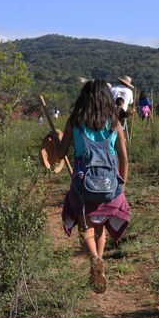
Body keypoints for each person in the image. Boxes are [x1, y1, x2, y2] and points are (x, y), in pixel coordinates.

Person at [52, 79, 130, 294]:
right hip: (110, 184)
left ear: (84, 98)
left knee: (85, 224)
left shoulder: (75, 121)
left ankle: (94, 259)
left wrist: (55, 139)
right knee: (101, 224)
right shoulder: (114, 122)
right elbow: (124, 159)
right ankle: (100, 262)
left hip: (83, 184)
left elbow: (60, 154)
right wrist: (121, 187)